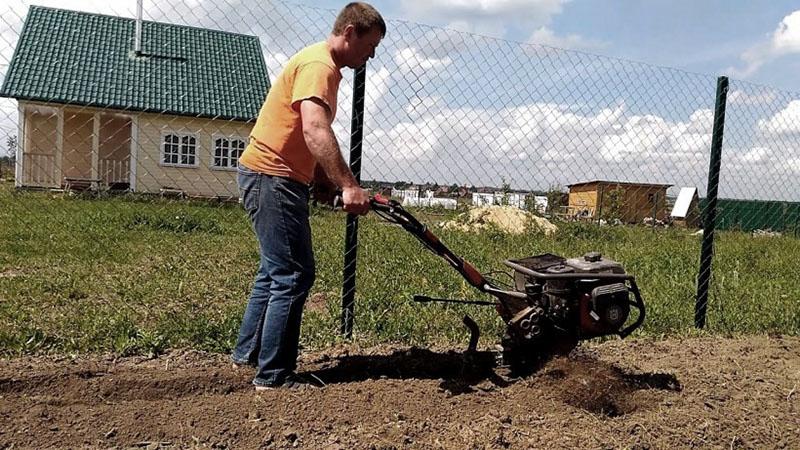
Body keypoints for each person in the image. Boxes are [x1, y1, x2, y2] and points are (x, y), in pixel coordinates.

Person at [231, 2, 386, 390]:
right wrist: (349, 186)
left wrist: (320, 180)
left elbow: (301, 134)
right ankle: (274, 375)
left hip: (268, 174)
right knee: (294, 273)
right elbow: (315, 130)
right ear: (350, 32)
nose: (372, 54)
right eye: (371, 45)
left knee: (274, 271)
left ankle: (248, 356)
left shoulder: (318, 63)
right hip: (272, 176)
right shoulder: (321, 68)